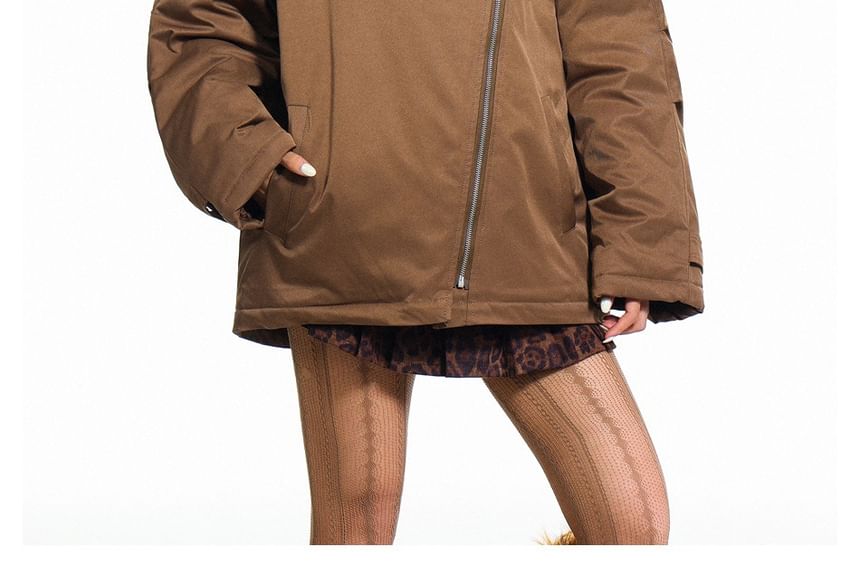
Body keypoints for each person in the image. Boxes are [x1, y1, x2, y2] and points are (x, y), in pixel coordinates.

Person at [147, 0, 704, 545]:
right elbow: (203, 22)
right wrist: (249, 157)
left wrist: (640, 240)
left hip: (523, 226)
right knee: (356, 522)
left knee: (631, 525)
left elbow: (619, 55)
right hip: (342, 226)